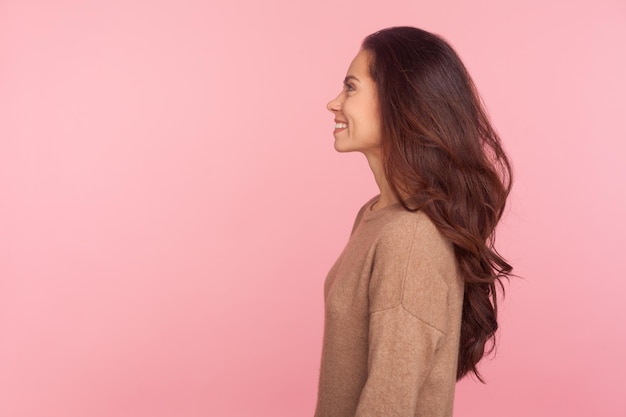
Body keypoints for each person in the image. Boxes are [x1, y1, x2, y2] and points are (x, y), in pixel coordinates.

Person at [314, 26, 513, 417]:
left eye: (351, 88)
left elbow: (389, 405)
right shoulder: (377, 216)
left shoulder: (408, 240)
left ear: (398, 103)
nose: (333, 103)